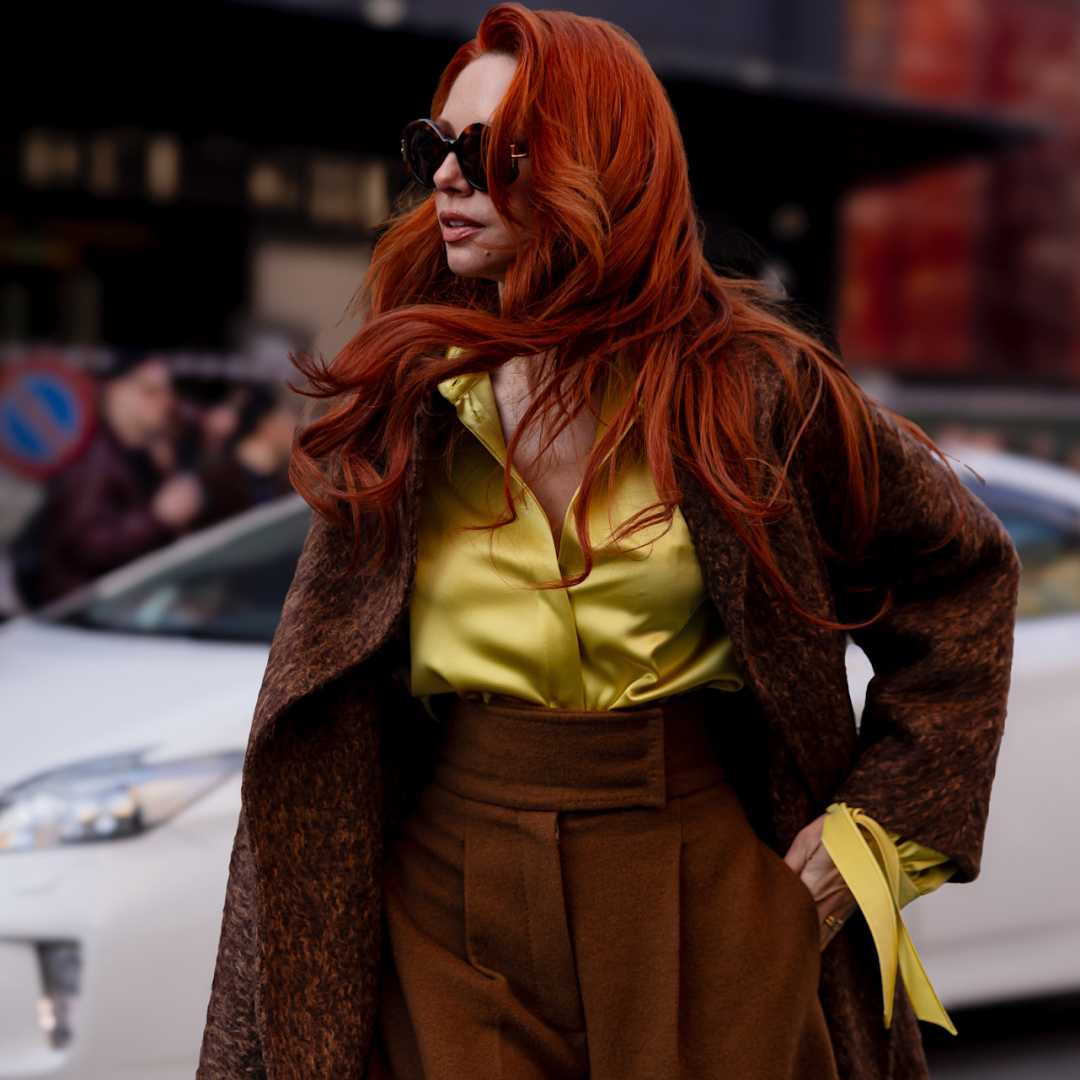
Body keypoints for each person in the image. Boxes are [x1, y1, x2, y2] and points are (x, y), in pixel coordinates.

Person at [197, 7, 1019, 1080]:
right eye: (433, 145)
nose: (444, 177)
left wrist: (872, 843)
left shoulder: (755, 389)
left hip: (702, 891)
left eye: (488, 150)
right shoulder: (412, 397)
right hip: (449, 897)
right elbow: (324, 693)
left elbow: (962, 578)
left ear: (599, 166)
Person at [15, 354, 202, 605]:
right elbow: (83, 546)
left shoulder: (127, 450)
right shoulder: (94, 454)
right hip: (80, 610)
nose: (165, 401)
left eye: (168, 392)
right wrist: (157, 517)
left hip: (104, 605)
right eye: (150, 391)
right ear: (115, 391)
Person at [195, 384, 297, 528]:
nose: (296, 423)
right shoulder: (215, 487)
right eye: (286, 415)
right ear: (267, 423)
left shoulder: (284, 486)